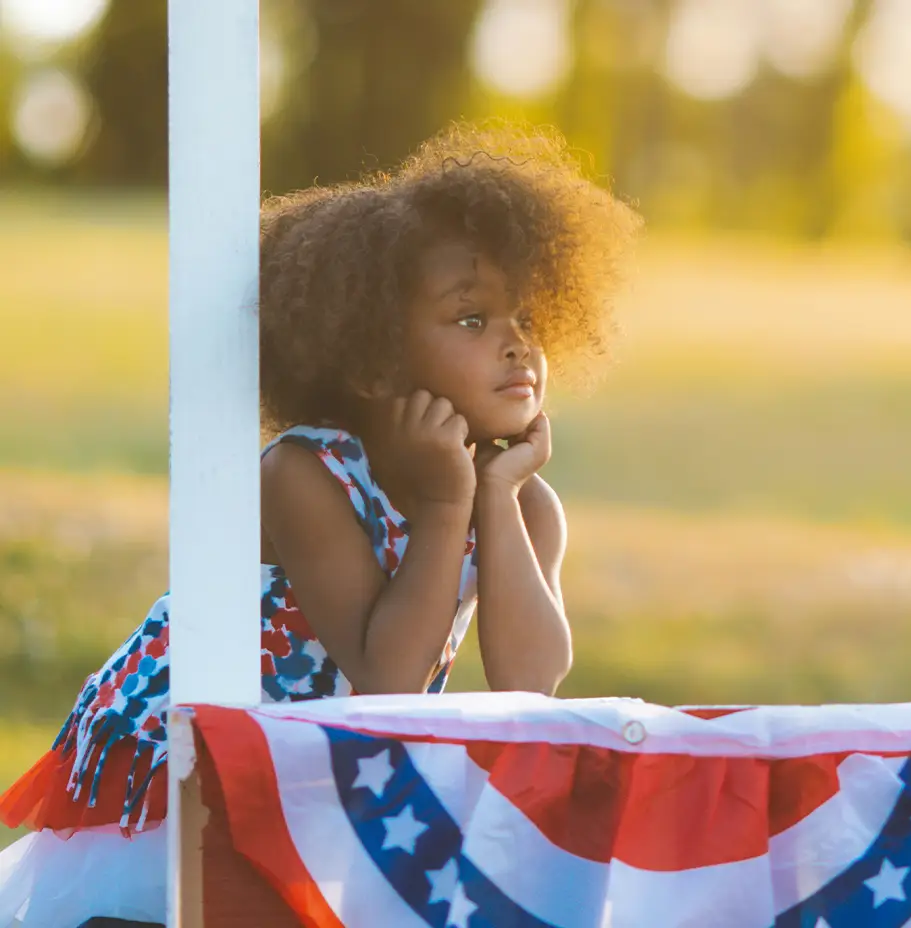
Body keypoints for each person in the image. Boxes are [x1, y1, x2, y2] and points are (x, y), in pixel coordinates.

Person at [0, 121, 642, 927]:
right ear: (374, 360)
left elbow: (529, 683)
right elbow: (388, 681)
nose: (517, 345)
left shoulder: (519, 499)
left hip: (317, 760)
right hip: (186, 757)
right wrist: (447, 509)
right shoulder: (306, 475)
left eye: (528, 319)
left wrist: (497, 497)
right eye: (472, 320)